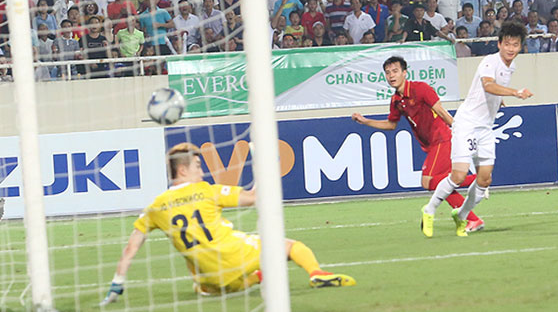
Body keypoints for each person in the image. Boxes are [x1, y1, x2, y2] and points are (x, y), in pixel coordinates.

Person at [100, 143, 356, 305]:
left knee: (200, 285)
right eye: (198, 166)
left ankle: (257, 278)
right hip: (237, 256)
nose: (202, 171)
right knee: (289, 246)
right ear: (182, 171)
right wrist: (263, 166)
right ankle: (317, 274)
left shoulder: (156, 206)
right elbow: (255, 198)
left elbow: (130, 248)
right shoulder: (208, 191)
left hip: (212, 280)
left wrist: (117, 283)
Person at [421, 22, 533, 238]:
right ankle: (429, 209)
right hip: (467, 123)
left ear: (520, 47)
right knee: (459, 174)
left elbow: (493, 91)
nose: (511, 48)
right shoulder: (489, 62)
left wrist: (498, 101)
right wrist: (515, 93)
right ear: (499, 44)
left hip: (485, 128)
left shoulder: (511, 66)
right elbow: (488, 85)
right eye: (507, 44)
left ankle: (461, 216)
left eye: (515, 45)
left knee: (484, 180)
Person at [351, 57, 484, 232]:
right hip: (431, 144)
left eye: (395, 71)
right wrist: (365, 121)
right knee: (440, 184)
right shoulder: (396, 100)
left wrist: (460, 132)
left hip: (442, 139)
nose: (391, 75)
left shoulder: (420, 88)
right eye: (388, 72)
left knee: (428, 182)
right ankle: (473, 218)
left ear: (405, 73)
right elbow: (391, 125)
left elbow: (441, 112)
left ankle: (479, 181)